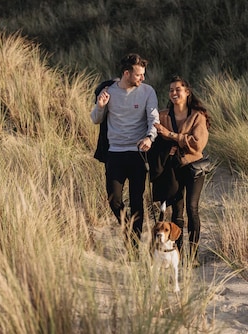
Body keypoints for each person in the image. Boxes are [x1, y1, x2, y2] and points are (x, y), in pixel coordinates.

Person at [90, 53, 159, 256]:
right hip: (115, 154)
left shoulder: (148, 92)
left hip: (138, 153)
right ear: (126, 73)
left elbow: (153, 119)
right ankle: (130, 232)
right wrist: (100, 106)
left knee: (137, 200)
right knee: (114, 199)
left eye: (143, 74)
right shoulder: (108, 91)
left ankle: (135, 246)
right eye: (138, 75)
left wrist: (150, 138)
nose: (142, 78)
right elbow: (95, 119)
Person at [153, 75, 210, 267]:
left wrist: (171, 136)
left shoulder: (197, 116)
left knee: (191, 208)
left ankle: (193, 256)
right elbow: (153, 135)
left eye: (178, 89)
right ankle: (178, 253)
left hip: (193, 168)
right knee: (176, 213)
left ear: (187, 92)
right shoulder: (162, 115)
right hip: (172, 168)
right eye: (171, 90)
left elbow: (197, 144)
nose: (174, 93)